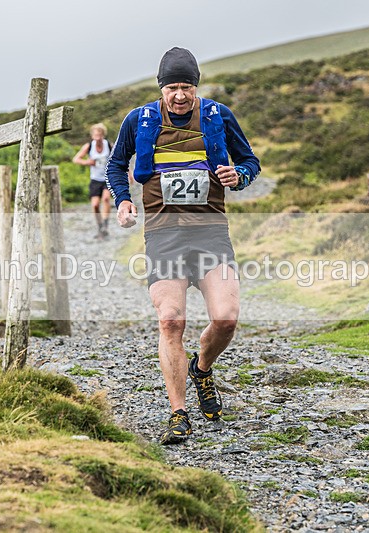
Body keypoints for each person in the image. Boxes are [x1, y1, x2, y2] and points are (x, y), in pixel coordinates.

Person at [106, 47, 260, 445]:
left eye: (186, 86)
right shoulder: (138, 119)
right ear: (161, 88)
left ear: (196, 86)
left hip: (210, 232)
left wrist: (237, 175)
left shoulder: (217, 115)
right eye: (172, 87)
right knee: (171, 320)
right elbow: (115, 164)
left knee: (226, 318)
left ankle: (202, 368)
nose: (179, 95)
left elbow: (250, 162)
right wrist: (123, 199)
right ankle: (178, 413)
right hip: (163, 234)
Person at [73, 123, 113, 238]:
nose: (98, 137)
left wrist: (128, 174)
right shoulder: (89, 146)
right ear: (92, 136)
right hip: (95, 179)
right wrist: (87, 162)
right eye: (96, 135)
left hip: (107, 178)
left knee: (106, 199)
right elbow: (76, 159)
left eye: (100, 135)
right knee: (95, 205)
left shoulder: (109, 145)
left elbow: (119, 159)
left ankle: (105, 225)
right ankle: (100, 226)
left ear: (103, 135)